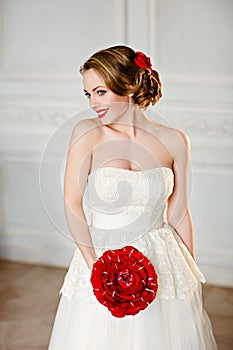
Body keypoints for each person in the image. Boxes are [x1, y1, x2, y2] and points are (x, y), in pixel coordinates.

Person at [48, 45, 218, 349]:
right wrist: (95, 268)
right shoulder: (87, 133)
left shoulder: (175, 140)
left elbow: (178, 212)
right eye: (88, 94)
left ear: (127, 85)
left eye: (100, 92)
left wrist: (189, 272)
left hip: (162, 260)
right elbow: (72, 203)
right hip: (100, 257)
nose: (92, 104)